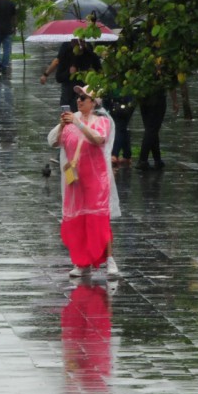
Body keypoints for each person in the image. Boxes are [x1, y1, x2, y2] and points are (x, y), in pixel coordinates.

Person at [49, 84, 121, 279]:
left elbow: (98, 139)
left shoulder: (101, 121)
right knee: (78, 220)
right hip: (75, 181)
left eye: (84, 98)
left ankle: (109, 259)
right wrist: (63, 126)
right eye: (78, 98)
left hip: (96, 180)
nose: (79, 101)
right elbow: (53, 141)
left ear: (94, 102)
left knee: (99, 220)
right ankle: (81, 262)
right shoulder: (70, 121)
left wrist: (78, 124)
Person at [40, 35, 102, 109]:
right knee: (67, 107)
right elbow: (58, 71)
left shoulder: (88, 50)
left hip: (83, 87)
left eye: (81, 41)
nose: (78, 44)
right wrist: (68, 72)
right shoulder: (66, 47)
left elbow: (98, 67)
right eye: (74, 42)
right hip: (68, 87)